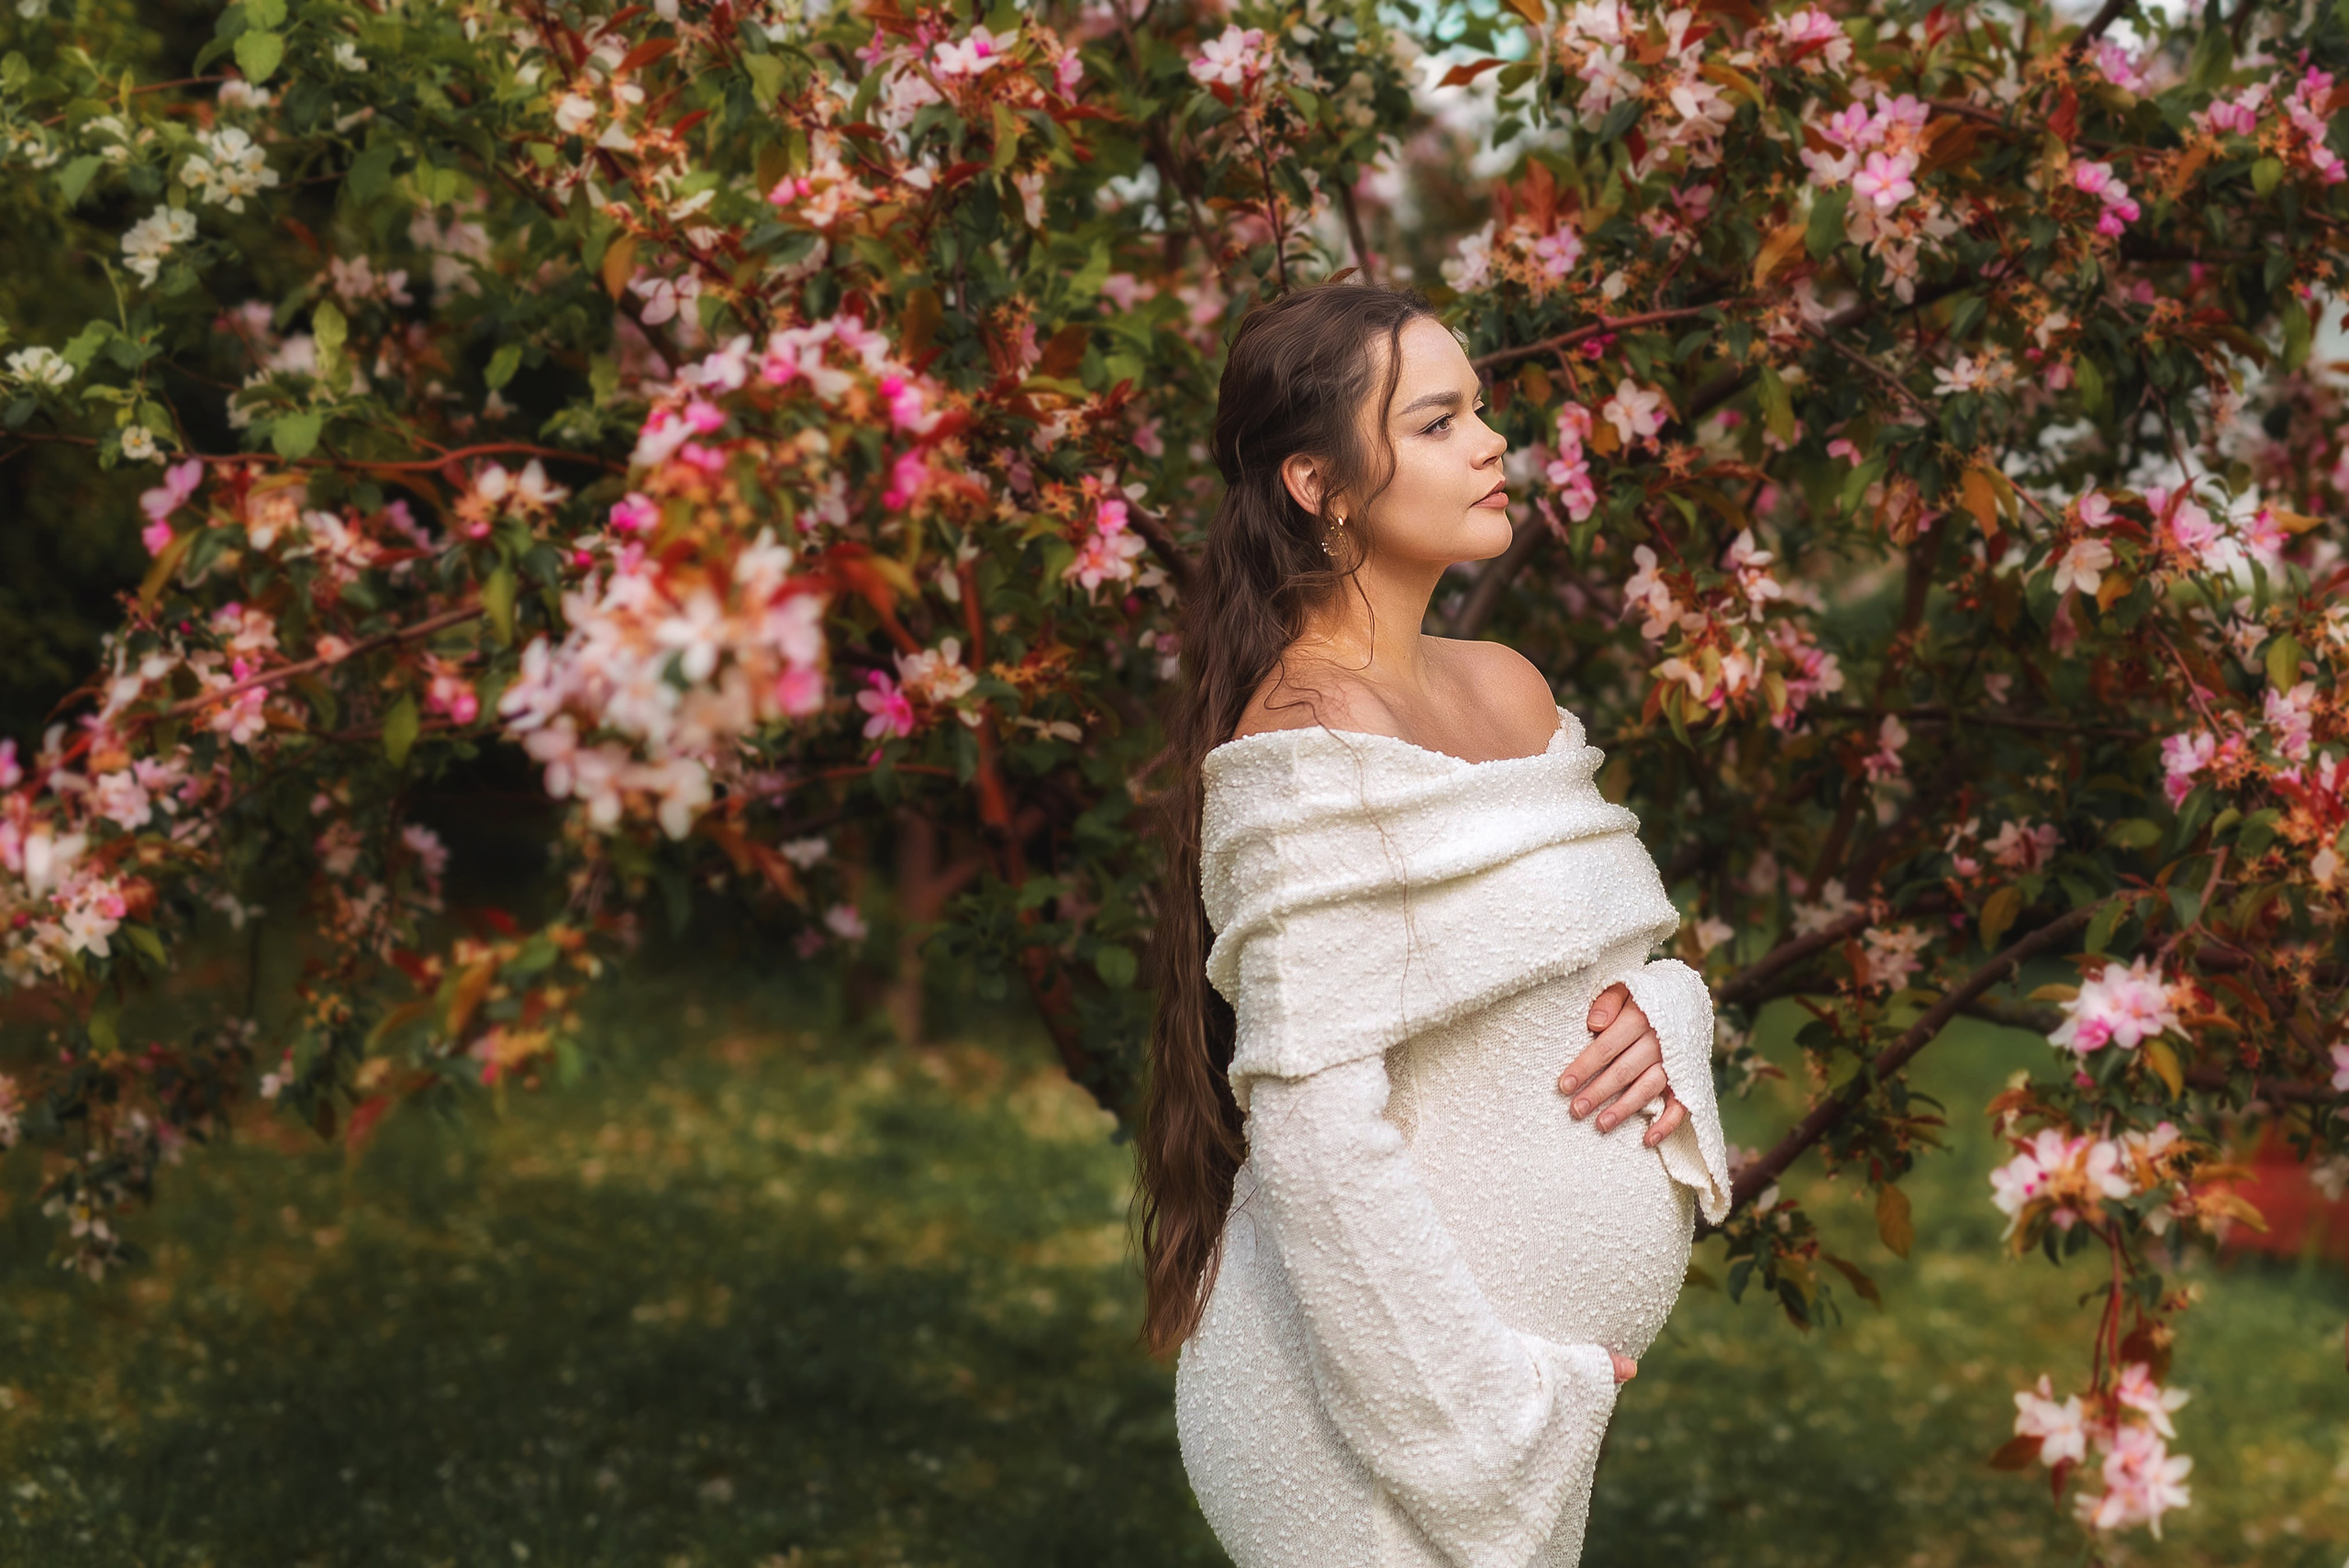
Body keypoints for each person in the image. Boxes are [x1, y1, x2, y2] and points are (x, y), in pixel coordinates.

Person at [1136, 281, 1733, 1568]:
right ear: (1321, 482)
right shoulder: (1305, 739)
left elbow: (1621, 958)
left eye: (1482, 410)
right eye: (1437, 420)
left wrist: (1669, 1015)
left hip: (1482, 1399)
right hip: (1370, 1419)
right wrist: (1493, 1419)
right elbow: (1313, 1134)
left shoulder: (1509, 686)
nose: (1488, 443)